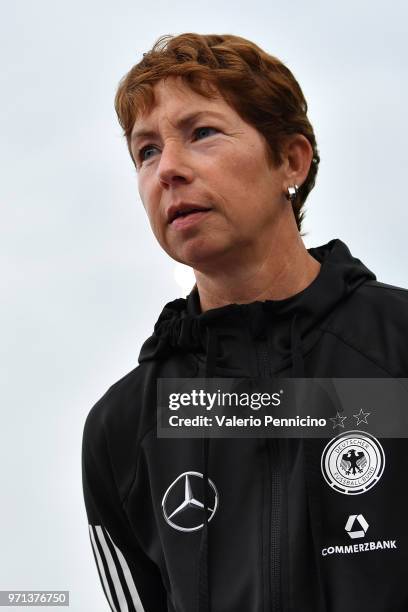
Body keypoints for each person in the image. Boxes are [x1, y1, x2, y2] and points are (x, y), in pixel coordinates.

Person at [81, 33, 408, 612]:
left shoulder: (397, 345)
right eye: (146, 151)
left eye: (201, 133)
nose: (168, 171)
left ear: (291, 160)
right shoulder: (124, 427)